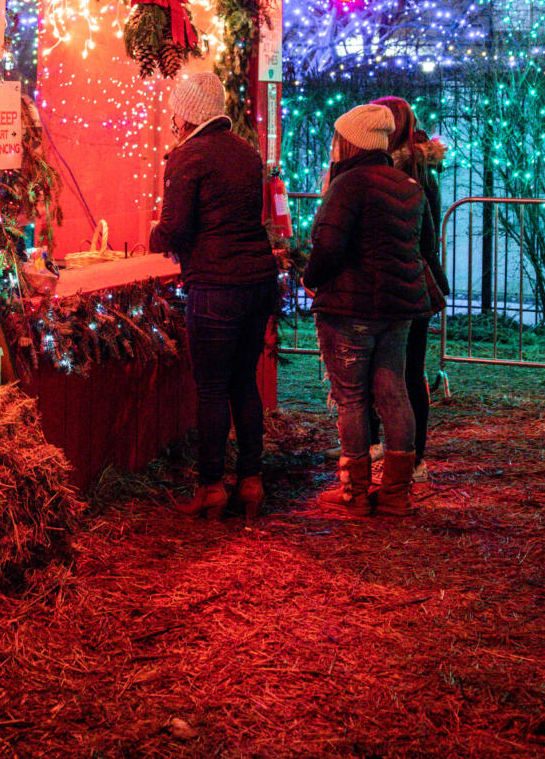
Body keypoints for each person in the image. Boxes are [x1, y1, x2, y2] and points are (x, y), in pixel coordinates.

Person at [303, 104, 447, 517]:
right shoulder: (408, 185)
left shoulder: (347, 186)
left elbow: (328, 246)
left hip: (351, 309)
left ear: (350, 141)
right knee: (395, 392)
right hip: (398, 310)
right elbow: (425, 249)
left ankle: (355, 492)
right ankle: (396, 493)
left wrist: (310, 278)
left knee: (350, 398)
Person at [149, 72, 279, 520]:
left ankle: (210, 487)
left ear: (185, 114)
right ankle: (251, 480)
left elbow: (176, 227)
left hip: (216, 285)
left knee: (211, 388)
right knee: (243, 381)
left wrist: (153, 235)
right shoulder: (246, 152)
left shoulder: (188, 157)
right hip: (258, 281)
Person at [371, 96, 448, 481]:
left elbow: (425, 236)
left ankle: (412, 454)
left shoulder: (413, 174)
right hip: (409, 279)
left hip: (408, 279)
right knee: (394, 367)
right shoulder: (411, 171)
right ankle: (390, 447)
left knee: (407, 369)